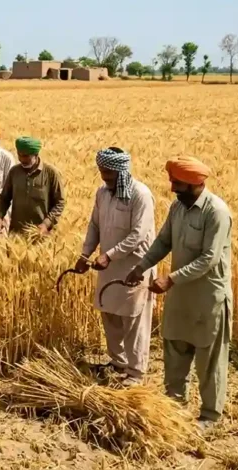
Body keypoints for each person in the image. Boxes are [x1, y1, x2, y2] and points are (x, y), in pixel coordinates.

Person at [125, 156, 232, 431]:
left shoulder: (216, 212)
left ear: (196, 184)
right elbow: (164, 241)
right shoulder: (178, 207)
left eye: (178, 183)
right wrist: (142, 266)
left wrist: (170, 279)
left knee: (209, 360)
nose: (172, 188)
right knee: (174, 349)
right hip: (180, 296)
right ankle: (174, 407)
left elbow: (209, 258)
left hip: (208, 298)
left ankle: (210, 416)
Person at [75, 148, 156, 385]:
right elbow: (94, 226)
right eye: (102, 172)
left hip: (134, 267)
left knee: (133, 319)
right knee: (109, 314)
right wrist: (85, 254)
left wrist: (109, 255)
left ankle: (136, 372)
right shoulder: (102, 193)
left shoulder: (140, 195)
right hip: (107, 267)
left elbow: (139, 234)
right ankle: (117, 362)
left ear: (122, 171)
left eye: (109, 173)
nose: (104, 178)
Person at [0, 137, 65, 236]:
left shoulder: (50, 173)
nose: (22, 159)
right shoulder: (14, 172)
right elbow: (5, 197)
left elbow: (60, 203)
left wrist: (46, 224)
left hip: (41, 234)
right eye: (19, 155)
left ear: (36, 155)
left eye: (26, 156)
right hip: (17, 233)